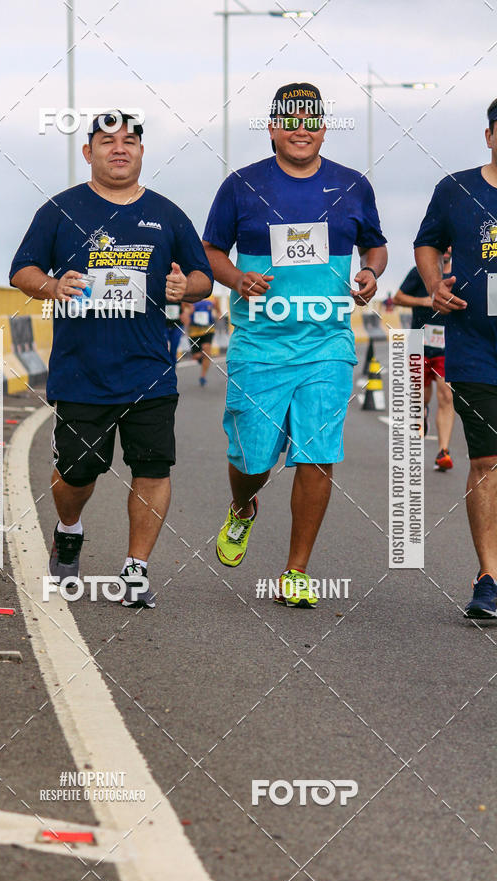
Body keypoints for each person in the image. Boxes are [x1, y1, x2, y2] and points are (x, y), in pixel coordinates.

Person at [9, 111, 212, 608]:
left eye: (129, 142)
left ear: (142, 152)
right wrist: (53, 285)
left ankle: (136, 568)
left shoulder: (168, 214)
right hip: (82, 371)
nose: (119, 149)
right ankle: (69, 528)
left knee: (153, 468)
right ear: (89, 152)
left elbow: (204, 276)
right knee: (78, 473)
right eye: (107, 141)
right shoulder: (61, 209)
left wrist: (187, 286)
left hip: (150, 369)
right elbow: (21, 271)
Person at [203, 82, 387, 608]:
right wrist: (237, 278)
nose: (300, 128)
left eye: (310, 119)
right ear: (273, 127)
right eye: (290, 119)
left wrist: (370, 273)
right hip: (259, 345)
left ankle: (296, 571)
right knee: (252, 459)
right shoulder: (241, 186)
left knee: (317, 454)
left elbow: (375, 245)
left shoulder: (352, 186)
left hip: (327, 344)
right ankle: (243, 507)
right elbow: (210, 249)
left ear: (324, 127)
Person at [414, 98, 497, 619]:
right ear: (489, 135)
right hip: (477, 346)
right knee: (488, 460)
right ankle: (489, 577)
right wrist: (432, 285)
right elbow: (426, 243)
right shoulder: (457, 189)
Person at [393, 250, 455, 470]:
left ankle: (443, 451)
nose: (446, 250)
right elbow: (397, 298)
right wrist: (426, 301)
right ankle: (423, 412)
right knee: (420, 396)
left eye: (450, 246)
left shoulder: (459, 274)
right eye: (443, 246)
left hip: (447, 344)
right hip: (418, 341)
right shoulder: (420, 273)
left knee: (446, 395)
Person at [188, 295, 221, 386]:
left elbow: (218, 311)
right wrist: (189, 311)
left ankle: (202, 376)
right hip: (194, 331)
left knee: (206, 349)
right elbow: (184, 310)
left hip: (208, 329)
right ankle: (202, 359)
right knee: (196, 356)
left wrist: (218, 316)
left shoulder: (213, 298)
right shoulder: (189, 296)